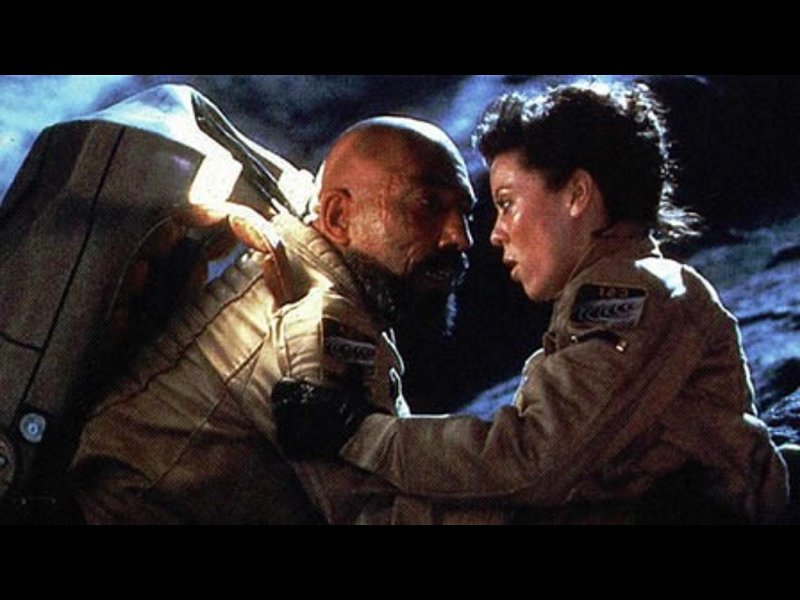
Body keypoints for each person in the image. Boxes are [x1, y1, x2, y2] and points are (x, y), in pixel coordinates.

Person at [274, 82, 790, 524]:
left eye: (507, 203)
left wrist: (358, 433)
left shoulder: (635, 295)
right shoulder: (627, 294)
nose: (493, 234)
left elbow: (533, 458)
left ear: (577, 194)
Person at [67, 115, 479, 524]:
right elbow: (376, 515)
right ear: (338, 216)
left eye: (466, 213)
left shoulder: (310, 276)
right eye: (428, 204)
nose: (460, 237)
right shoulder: (316, 324)